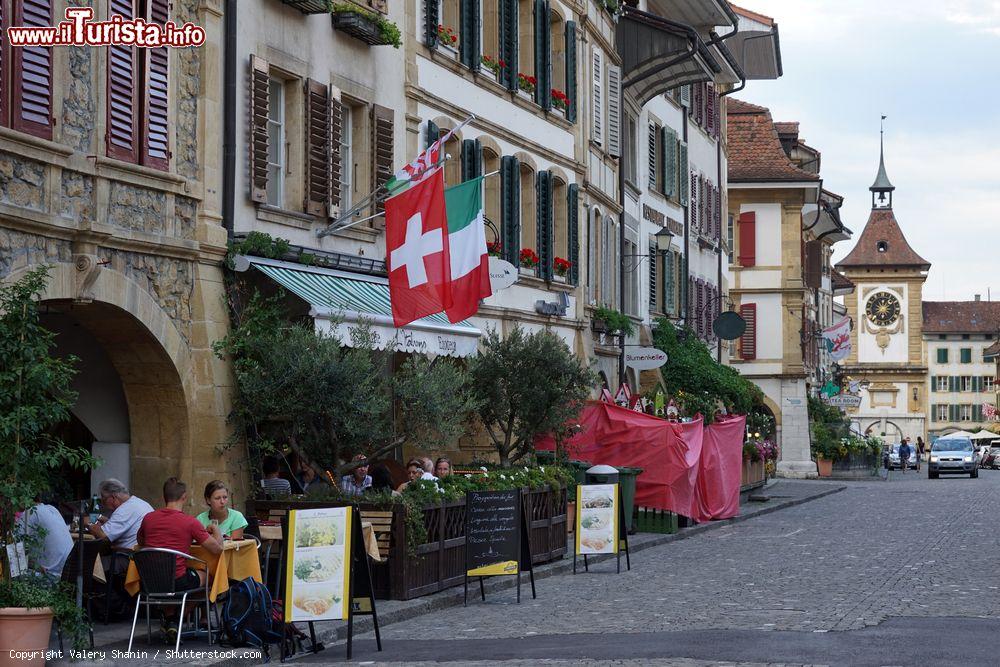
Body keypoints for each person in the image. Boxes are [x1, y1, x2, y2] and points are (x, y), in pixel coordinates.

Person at [138, 478, 223, 641]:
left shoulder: (148, 518)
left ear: (164, 496)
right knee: (210, 577)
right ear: (184, 497)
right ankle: (176, 620)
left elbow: (141, 542)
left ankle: (170, 618)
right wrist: (216, 530)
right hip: (177, 581)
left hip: (149, 581)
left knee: (181, 579)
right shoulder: (190, 522)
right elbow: (216, 549)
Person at [82, 479, 154, 550]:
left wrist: (89, 522)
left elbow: (103, 536)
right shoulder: (138, 502)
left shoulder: (125, 509)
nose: (103, 504)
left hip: (127, 556)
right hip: (143, 554)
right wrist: (108, 521)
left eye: (104, 499)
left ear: (113, 497)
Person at [19, 500, 73, 580]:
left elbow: (14, 549)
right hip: (69, 574)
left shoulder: (30, 512)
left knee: (15, 570)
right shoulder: (53, 510)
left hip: (52, 577)